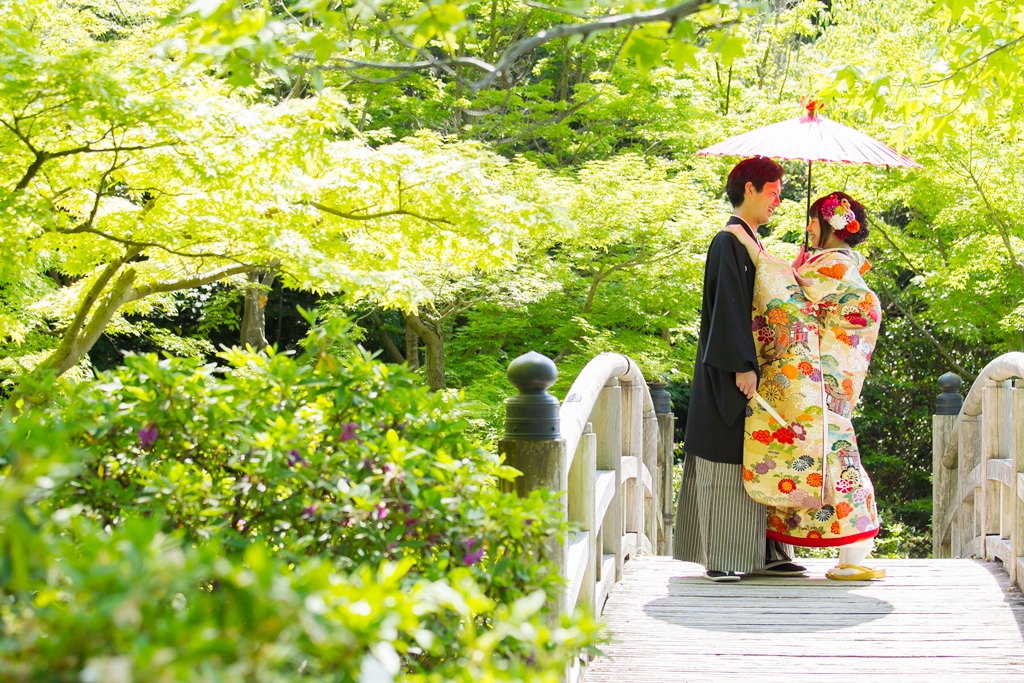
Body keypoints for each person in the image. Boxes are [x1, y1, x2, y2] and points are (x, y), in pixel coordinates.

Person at [673, 157, 805, 582]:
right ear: (749, 189)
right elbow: (728, 309)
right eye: (773, 192)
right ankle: (721, 555)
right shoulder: (727, 241)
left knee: (762, 456)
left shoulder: (750, 241)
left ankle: (767, 551)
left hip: (758, 366)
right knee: (728, 457)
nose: (778, 201)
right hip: (732, 369)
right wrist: (742, 365)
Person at [742, 191, 885, 581]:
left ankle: (854, 554)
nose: (807, 227)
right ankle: (853, 556)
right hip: (830, 371)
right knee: (830, 449)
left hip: (823, 373)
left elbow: (784, 296)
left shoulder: (833, 265)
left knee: (833, 451)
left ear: (831, 225)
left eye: (813, 220)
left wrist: (755, 250)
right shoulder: (830, 263)